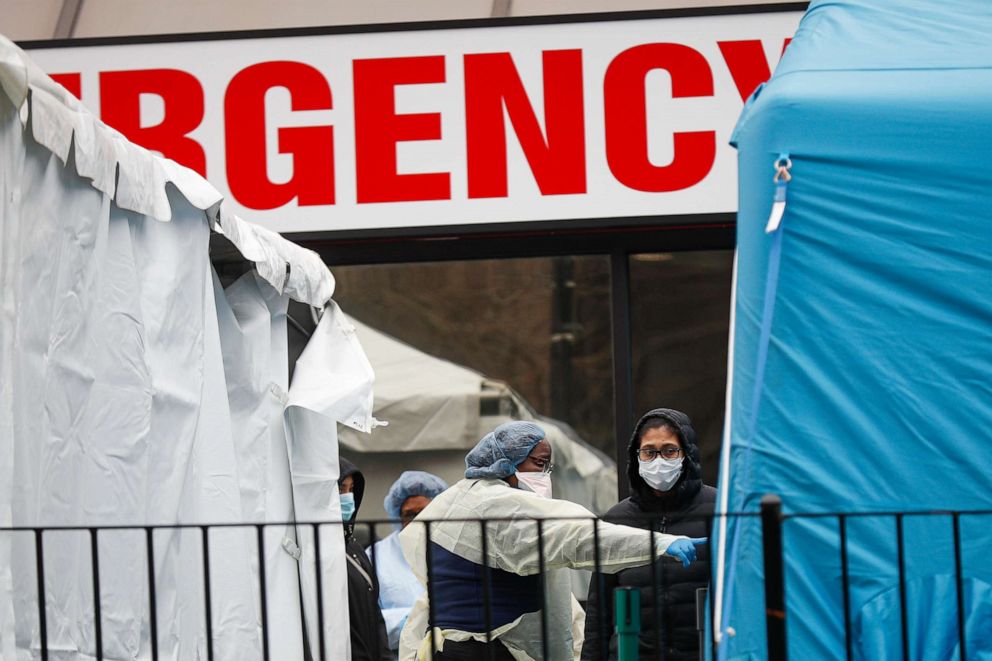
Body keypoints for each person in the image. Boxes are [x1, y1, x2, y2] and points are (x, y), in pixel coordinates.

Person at [398, 421, 705, 661]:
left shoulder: (453, 500)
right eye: (539, 464)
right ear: (508, 462)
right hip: (491, 650)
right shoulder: (503, 507)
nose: (545, 474)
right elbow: (580, 537)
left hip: (447, 649)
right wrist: (660, 544)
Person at [581, 408, 716, 661]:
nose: (659, 460)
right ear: (637, 456)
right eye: (649, 451)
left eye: (669, 450)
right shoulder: (618, 519)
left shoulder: (718, 510)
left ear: (687, 454)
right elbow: (599, 611)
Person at [368, 471, 450, 657]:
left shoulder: (454, 548)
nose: (417, 519)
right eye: (409, 514)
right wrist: (414, 621)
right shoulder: (377, 555)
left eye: (424, 512)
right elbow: (368, 620)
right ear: (398, 516)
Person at [340, 458, 393, 661]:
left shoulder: (354, 548)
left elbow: (373, 613)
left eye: (351, 489)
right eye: (340, 489)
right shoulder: (317, 549)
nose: (347, 498)